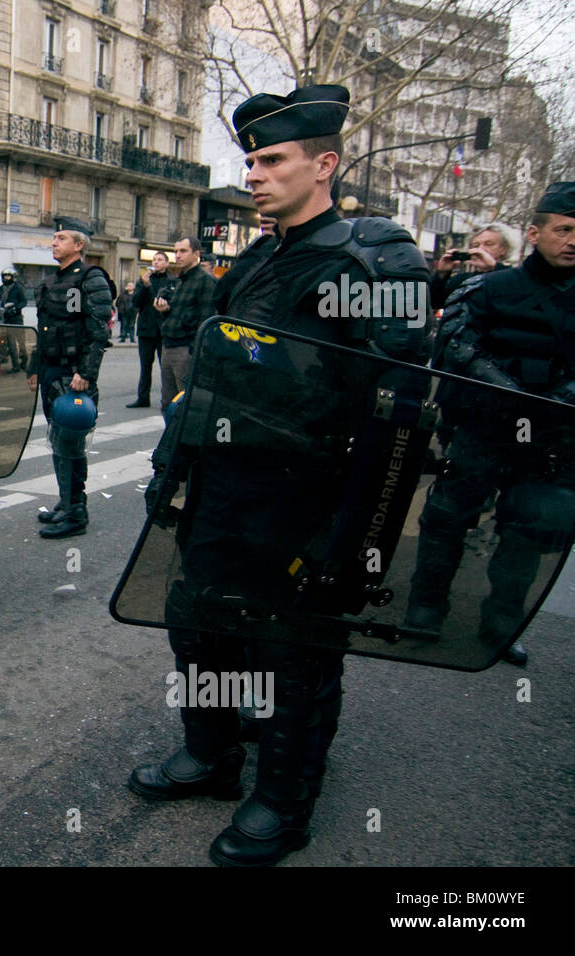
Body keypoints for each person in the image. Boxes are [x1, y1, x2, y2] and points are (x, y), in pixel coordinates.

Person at [130, 84, 430, 866]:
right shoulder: (261, 255)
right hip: (228, 485)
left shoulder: (374, 257)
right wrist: (175, 468)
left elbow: (398, 408)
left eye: (272, 160)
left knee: (298, 653)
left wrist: (357, 537)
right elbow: (217, 376)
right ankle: (213, 754)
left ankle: (283, 800)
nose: (254, 175)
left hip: (310, 498)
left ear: (324, 164)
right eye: (251, 160)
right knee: (200, 623)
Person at [403, 183, 575, 668]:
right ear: (535, 232)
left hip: (551, 436)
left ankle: (503, 624)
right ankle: (426, 609)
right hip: (485, 426)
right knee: (448, 517)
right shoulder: (488, 287)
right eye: (563, 230)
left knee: (527, 530)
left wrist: (557, 400)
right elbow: (455, 340)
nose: (572, 241)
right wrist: (506, 389)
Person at [27, 216, 114, 538]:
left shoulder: (91, 278)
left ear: (79, 245)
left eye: (61, 238)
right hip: (51, 371)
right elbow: (45, 330)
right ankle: (66, 502)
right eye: (54, 238)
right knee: (57, 440)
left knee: (71, 443)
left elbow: (98, 331)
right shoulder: (50, 281)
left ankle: (76, 513)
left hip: (73, 375)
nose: (54, 242)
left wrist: (86, 374)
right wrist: (35, 367)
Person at [156, 237, 217, 407]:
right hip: (168, 345)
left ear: (196, 254)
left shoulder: (206, 282)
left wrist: (195, 352)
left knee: (187, 401)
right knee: (168, 402)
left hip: (186, 349)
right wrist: (164, 310)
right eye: (175, 251)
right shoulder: (180, 281)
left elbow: (206, 321)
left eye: (183, 251)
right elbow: (176, 314)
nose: (178, 255)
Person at [127, 252, 174, 408]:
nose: (156, 262)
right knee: (145, 366)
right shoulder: (144, 281)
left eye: (160, 260)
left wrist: (150, 288)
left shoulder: (171, 281)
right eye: (154, 260)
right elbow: (136, 302)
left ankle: (168, 399)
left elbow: (162, 301)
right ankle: (143, 397)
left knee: (165, 366)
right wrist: (144, 286)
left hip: (163, 330)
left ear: (167, 263)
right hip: (146, 330)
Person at [430, 225, 512, 312]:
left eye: (488, 244)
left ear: (504, 249)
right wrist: (442, 274)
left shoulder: (515, 277)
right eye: (475, 245)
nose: (480, 249)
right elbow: (435, 303)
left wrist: (494, 267)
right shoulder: (462, 280)